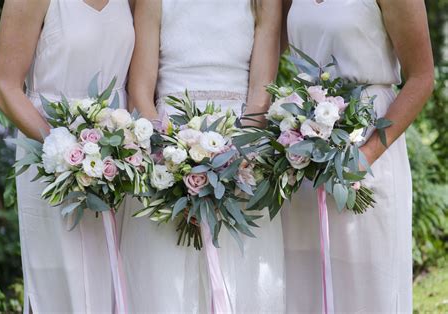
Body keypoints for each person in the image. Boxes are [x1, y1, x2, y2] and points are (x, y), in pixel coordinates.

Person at [121, 0, 285, 312]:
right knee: (167, 279)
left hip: (241, 148)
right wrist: (168, 159)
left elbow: (261, 92)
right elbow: (141, 91)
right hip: (168, 146)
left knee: (242, 272)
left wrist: (236, 157)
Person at [281, 0, 434, 312]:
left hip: (368, 135)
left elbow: (422, 77)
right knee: (305, 277)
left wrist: (366, 155)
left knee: (369, 281)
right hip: (306, 141)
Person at [0, 0, 135, 312]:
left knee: (114, 279)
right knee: (60, 280)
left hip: (116, 158)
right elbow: (5, 88)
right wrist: (65, 150)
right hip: (51, 155)